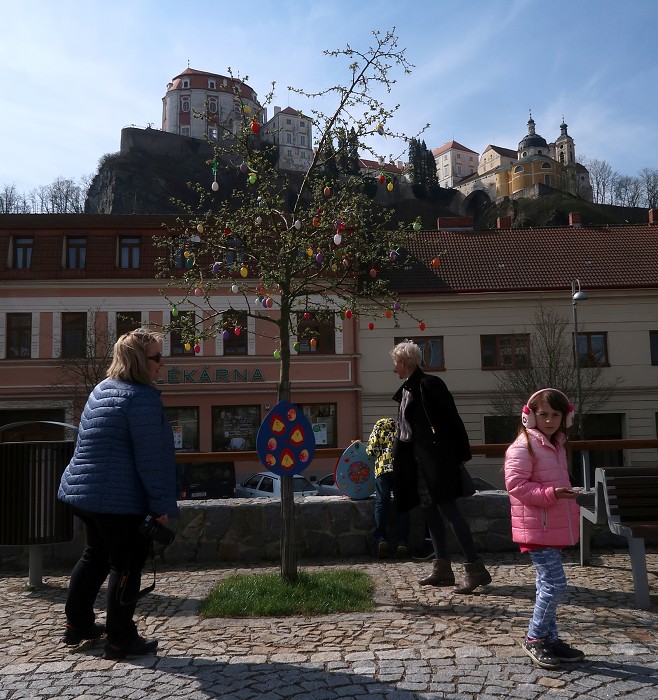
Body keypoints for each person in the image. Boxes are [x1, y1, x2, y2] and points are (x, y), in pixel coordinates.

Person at [58, 328, 178, 660]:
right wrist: (160, 507)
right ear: (141, 360)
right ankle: (120, 638)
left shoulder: (101, 390)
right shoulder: (142, 398)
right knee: (126, 565)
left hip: (85, 494)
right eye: (157, 357)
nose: (161, 364)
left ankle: (78, 624)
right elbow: (152, 460)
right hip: (119, 499)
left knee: (95, 556)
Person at [390, 340, 491, 593]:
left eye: (395, 363)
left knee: (449, 512)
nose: (394, 369)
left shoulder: (429, 385)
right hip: (420, 463)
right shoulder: (407, 391)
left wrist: (462, 454)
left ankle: (475, 569)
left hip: (438, 463)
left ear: (403, 363)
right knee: (430, 513)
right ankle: (442, 568)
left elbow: (452, 419)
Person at [504, 388, 584, 670]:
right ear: (530, 415)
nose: (549, 420)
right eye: (543, 414)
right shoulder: (523, 446)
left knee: (545, 584)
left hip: (549, 526)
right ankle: (535, 637)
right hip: (537, 526)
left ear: (565, 418)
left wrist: (562, 494)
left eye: (556, 415)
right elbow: (516, 485)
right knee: (555, 584)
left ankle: (550, 638)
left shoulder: (556, 445)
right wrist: (553, 493)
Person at [366, 417, 410, 558]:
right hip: (401, 469)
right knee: (402, 505)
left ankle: (381, 538)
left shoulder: (379, 426)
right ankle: (402, 542)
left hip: (383, 469)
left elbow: (371, 450)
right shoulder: (402, 427)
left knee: (381, 502)